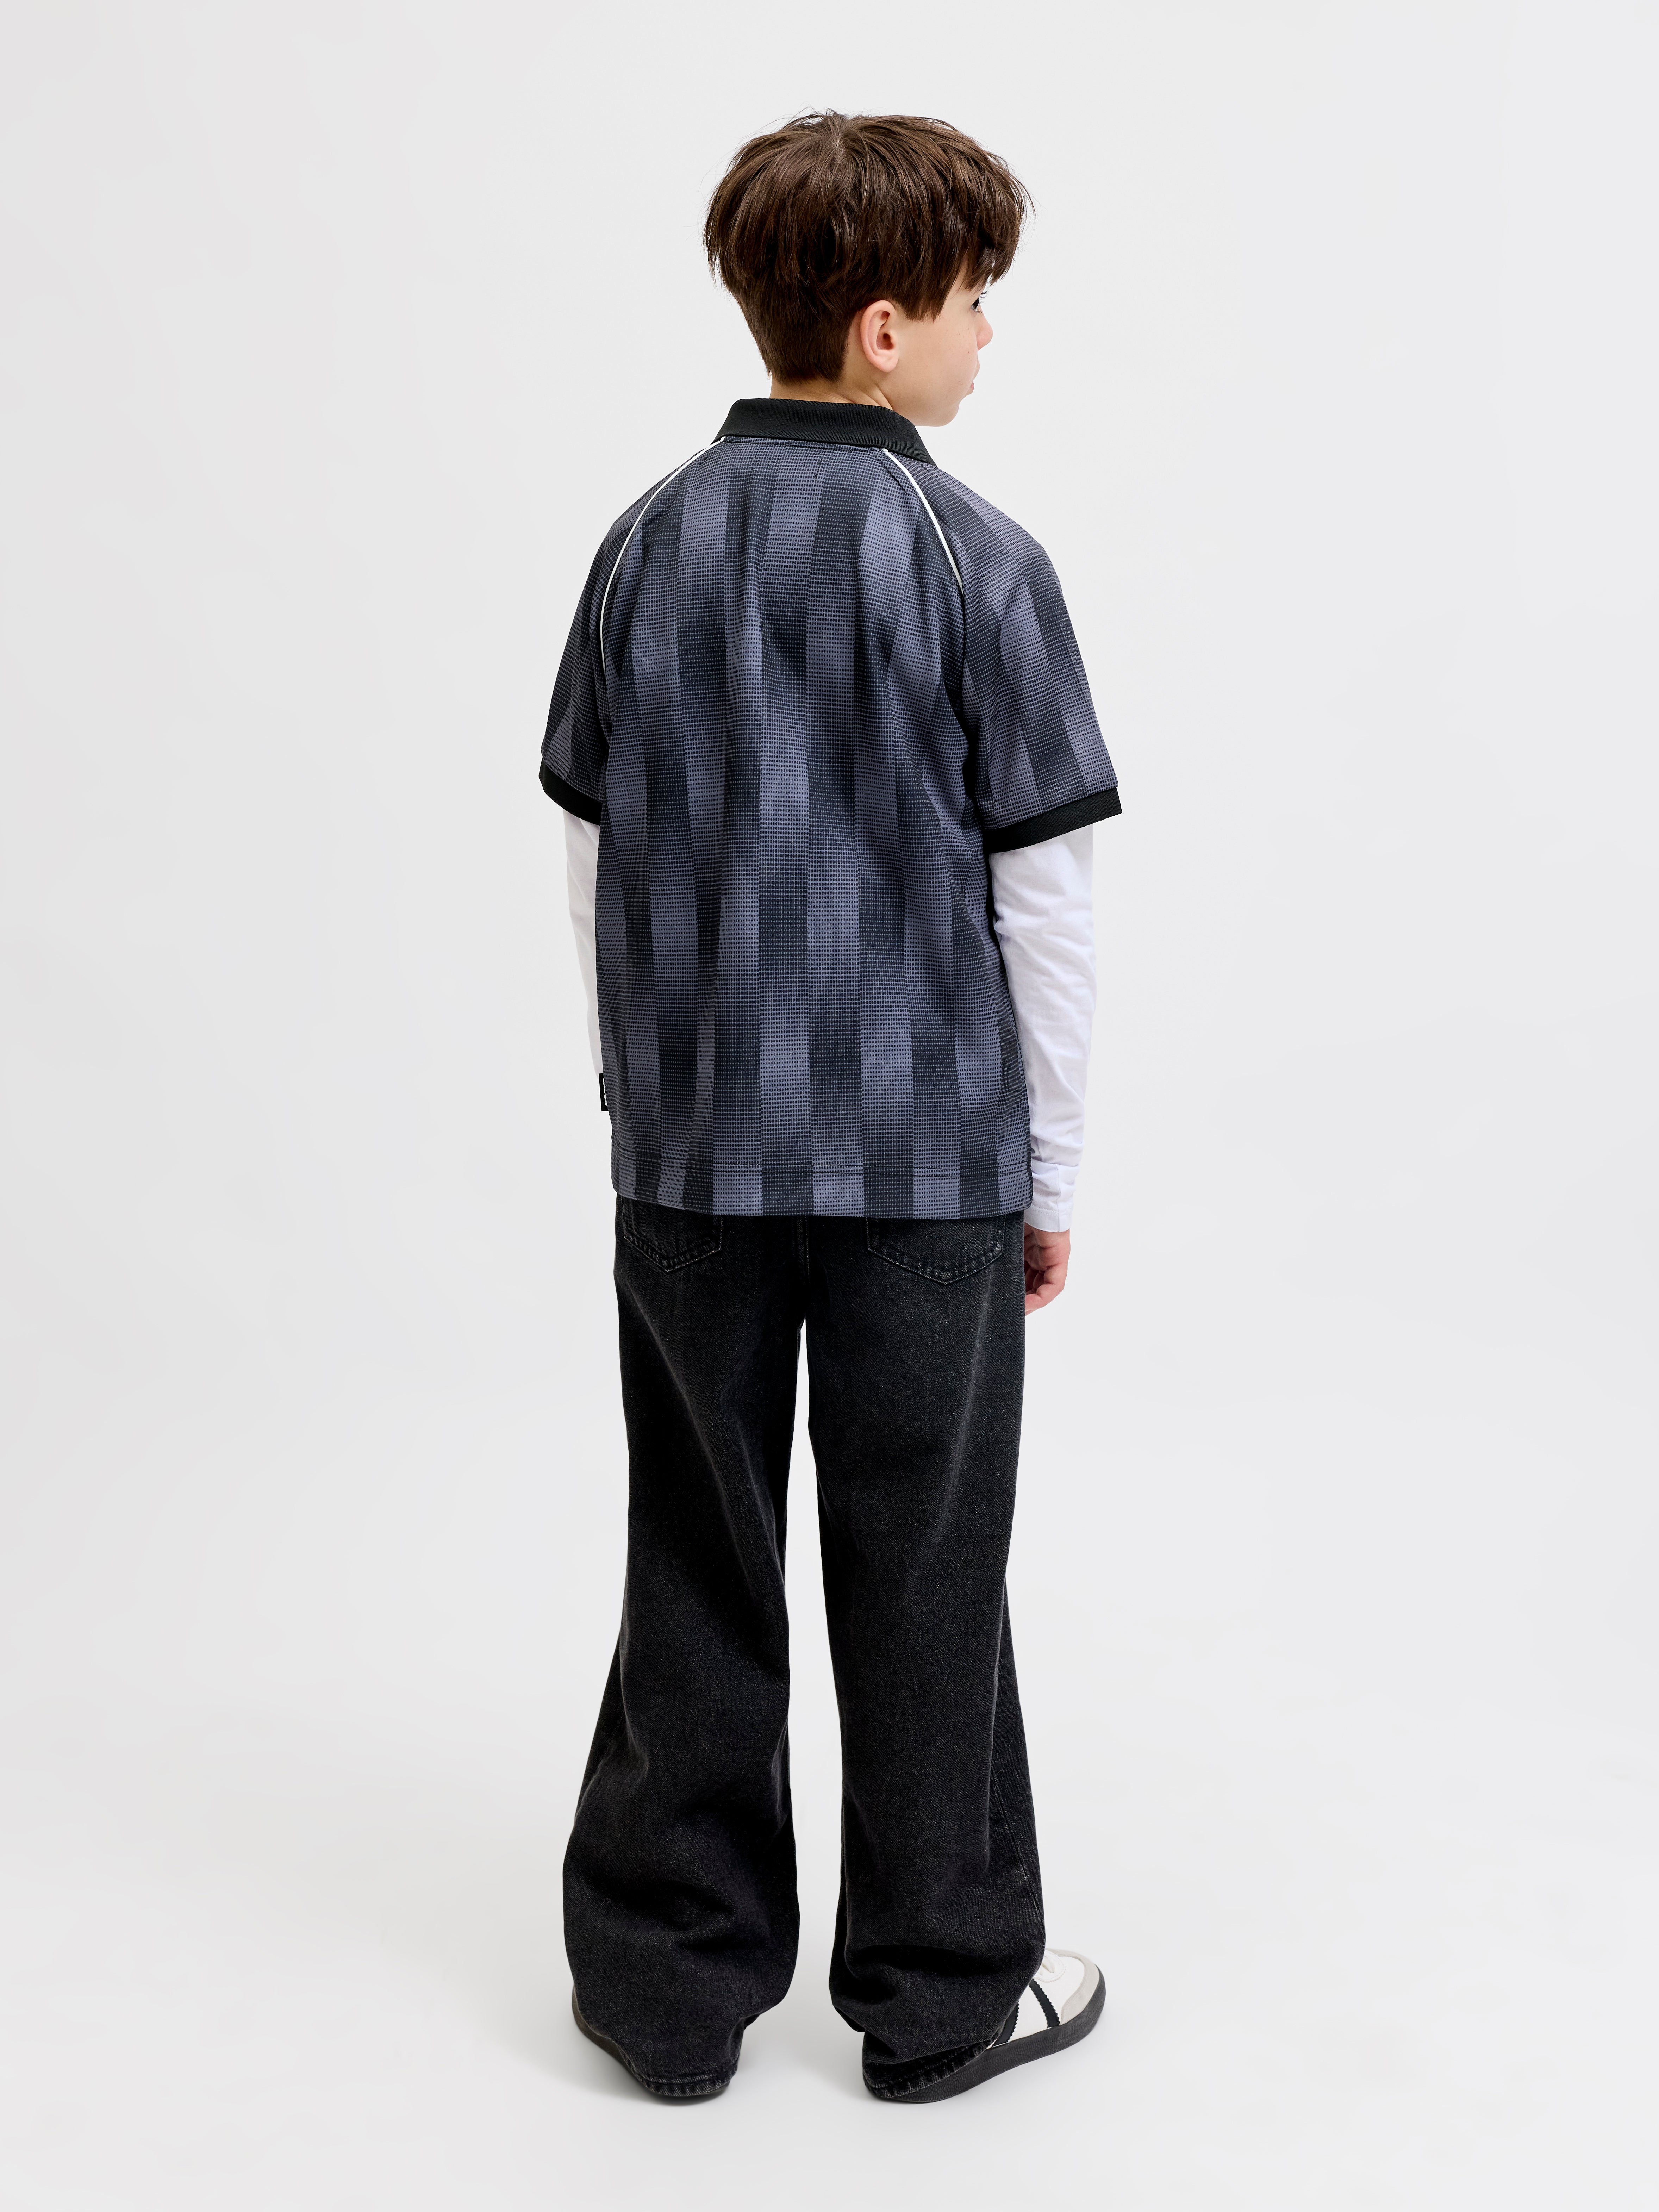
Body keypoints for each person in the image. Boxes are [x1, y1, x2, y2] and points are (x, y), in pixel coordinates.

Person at [540, 111, 1121, 2104]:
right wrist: (1051, 1167)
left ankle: (665, 1996)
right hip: (924, 1169)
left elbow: (593, 855)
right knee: (925, 1569)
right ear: (884, 327)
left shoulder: (642, 542)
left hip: (691, 1157)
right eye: (973, 303)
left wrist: (642, 1090)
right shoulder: (977, 558)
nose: (986, 338)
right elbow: (1045, 898)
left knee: (693, 1550)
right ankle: (942, 1994)